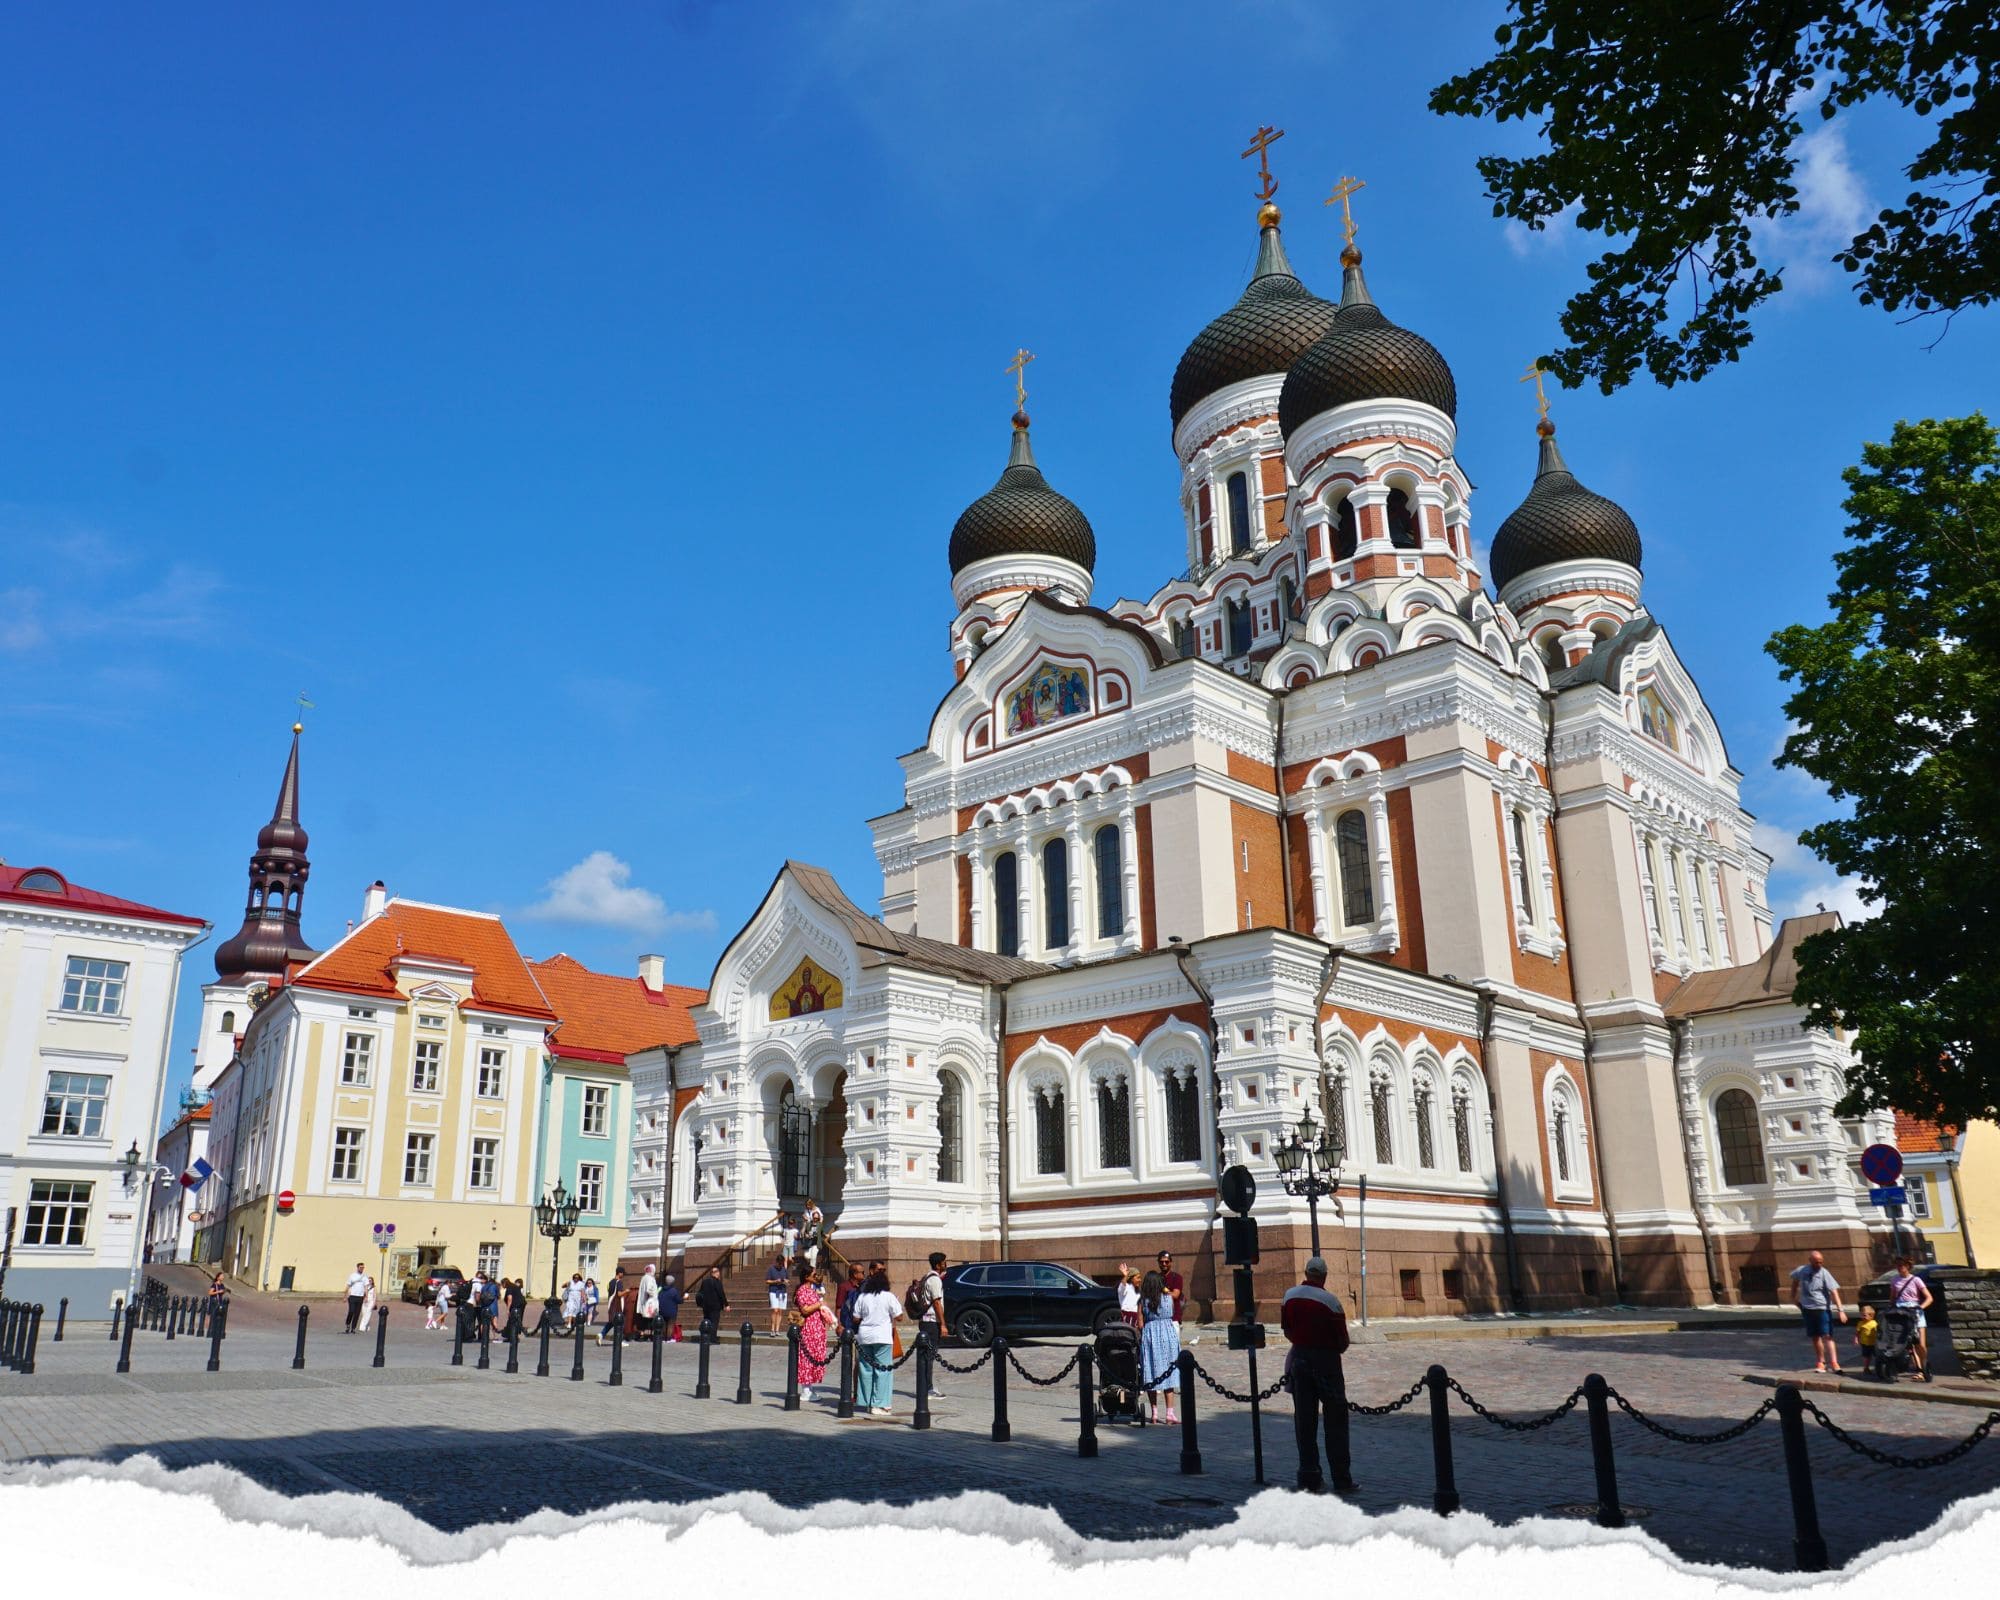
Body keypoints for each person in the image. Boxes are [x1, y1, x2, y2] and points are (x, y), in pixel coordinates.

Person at [1281, 1256, 1356, 1494]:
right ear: (1324, 1276)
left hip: (1300, 1360)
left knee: (1304, 1421)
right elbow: (1342, 1340)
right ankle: (1341, 1478)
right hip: (1327, 1362)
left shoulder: (1289, 1296)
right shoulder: (1331, 1302)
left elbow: (1287, 1329)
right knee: (1336, 1422)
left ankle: (1309, 1475)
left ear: (1306, 1272)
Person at [852, 1266, 901, 1416]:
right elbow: (899, 1316)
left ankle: (866, 1401)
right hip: (882, 1337)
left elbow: (855, 1317)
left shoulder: (863, 1297)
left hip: (865, 1336)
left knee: (866, 1369)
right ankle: (879, 1404)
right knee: (882, 1370)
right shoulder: (888, 1296)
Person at [1790, 1249, 1847, 1373]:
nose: (1819, 1265)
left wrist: (1840, 1310)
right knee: (1815, 1337)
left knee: (1828, 1335)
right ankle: (1821, 1362)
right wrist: (1794, 1298)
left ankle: (1834, 1362)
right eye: (1816, 1262)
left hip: (1822, 1308)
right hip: (1808, 1308)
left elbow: (1834, 1291)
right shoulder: (1802, 1270)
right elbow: (1794, 1282)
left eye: (1821, 1262)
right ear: (1810, 1261)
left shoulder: (1824, 1273)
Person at [1137, 1268, 1181, 1424]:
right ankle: (1170, 1413)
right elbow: (1172, 1312)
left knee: (1151, 1374)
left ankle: (1154, 1413)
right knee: (1169, 1375)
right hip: (1168, 1335)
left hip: (1151, 1335)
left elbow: (1140, 1323)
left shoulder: (1143, 1301)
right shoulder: (1168, 1298)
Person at [793, 1260, 835, 1403]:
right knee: (807, 1357)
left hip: (816, 1327)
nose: (816, 1276)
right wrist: (819, 1304)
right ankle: (805, 1389)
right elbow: (805, 1309)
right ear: (806, 1276)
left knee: (815, 1356)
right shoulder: (802, 1291)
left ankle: (809, 1387)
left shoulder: (811, 1289)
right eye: (813, 1274)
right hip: (809, 1328)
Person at [1890, 1257, 1935, 1381]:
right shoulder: (1894, 1280)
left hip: (1915, 1311)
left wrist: (1920, 1307)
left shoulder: (1916, 1280)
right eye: (1898, 1265)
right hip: (1901, 1312)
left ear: (1908, 1266)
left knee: (1920, 1343)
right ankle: (1918, 1369)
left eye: (1902, 1265)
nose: (1900, 1268)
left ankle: (1925, 1366)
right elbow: (1893, 1298)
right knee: (1909, 1343)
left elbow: (1929, 1298)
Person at [917, 1250, 950, 1397]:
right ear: (938, 1264)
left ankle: (924, 1386)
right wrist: (943, 1324)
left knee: (926, 1356)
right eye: (944, 1262)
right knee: (929, 1356)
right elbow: (937, 1303)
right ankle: (927, 1388)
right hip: (931, 1322)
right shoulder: (935, 1280)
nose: (946, 1264)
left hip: (924, 1321)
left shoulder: (927, 1277)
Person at [694, 1264, 728, 1342]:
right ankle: (712, 1339)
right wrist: (726, 1304)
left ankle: (705, 1336)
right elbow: (721, 1294)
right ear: (714, 1273)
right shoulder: (717, 1282)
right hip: (715, 1306)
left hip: (706, 1306)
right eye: (717, 1272)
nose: (718, 1273)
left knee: (707, 1321)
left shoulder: (705, 1281)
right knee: (714, 1322)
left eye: (718, 1271)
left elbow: (700, 1292)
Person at [1853, 1302, 1881, 1380]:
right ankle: (1866, 1368)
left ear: (1871, 1315)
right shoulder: (1860, 1323)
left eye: (1865, 1315)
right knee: (1866, 1356)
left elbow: (1877, 1332)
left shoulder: (1874, 1323)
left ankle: (1877, 1367)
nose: (1863, 1317)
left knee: (1877, 1356)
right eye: (1862, 1315)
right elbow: (1857, 1332)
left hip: (1874, 1343)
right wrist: (1856, 1339)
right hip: (1865, 1343)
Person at [835, 1263, 865, 1334]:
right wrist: (839, 1325)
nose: (864, 1275)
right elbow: (839, 1307)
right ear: (855, 1274)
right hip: (847, 1325)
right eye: (862, 1272)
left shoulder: (862, 1287)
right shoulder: (844, 1287)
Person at [1157, 1250, 1185, 1323]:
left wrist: (1162, 1288)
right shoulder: (1156, 1278)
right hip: (1159, 1317)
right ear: (1158, 1263)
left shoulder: (1177, 1277)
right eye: (1161, 1262)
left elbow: (1175, 1295)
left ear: (1171, 1262)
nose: (1164, 1264)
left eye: (1166, 1262)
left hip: (1174, 1317)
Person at [766, 1254, 791, 1334]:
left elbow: (788, 1279)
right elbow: (767, 1281)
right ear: (776, 1262)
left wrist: (785, 1281)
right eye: (779, 1264)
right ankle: (772, 1329)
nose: (780, 1265)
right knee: (775, 1310)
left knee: (780, 1311)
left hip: (782, 1291)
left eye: (782, 1264)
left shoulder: (784, 1269)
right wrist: (775, 1281)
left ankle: (777, 1330)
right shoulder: (771, 1269)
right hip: (773, 1291)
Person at [658, 1273, 685, 1341]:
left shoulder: (661, 1289)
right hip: (671, 1311)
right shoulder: (674, 1291)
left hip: (661, 1310)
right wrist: (684, 1298)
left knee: (663, 1325)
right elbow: (679, 1300)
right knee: (670, 1325)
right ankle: (669, 1338)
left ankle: (663, 1338)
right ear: (673, 1282)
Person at [344, 1262, 369, 1334]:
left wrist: (366, 1297)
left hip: (360, 1297)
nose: (362, 1269)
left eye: (363, 1268)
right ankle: (348, 1324)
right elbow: (348, 1286)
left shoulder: (365, 1277)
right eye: (361, 1267)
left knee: (357, 1313)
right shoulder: (352, 1276)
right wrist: (345, 1296)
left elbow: (366, 1287)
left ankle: (353, 1328)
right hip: (352, 1296)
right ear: (357, 1267)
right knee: (351, 1311)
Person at [1117, 1264, 1142, 1330]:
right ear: (1131, 1278)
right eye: (1138, 1277)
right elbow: (1123, 1284)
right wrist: (1125, 1276)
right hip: (1127, 1317)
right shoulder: (1126, 1288)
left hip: (1137, 1317)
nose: (1140, 1280)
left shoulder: (1138, 1290)